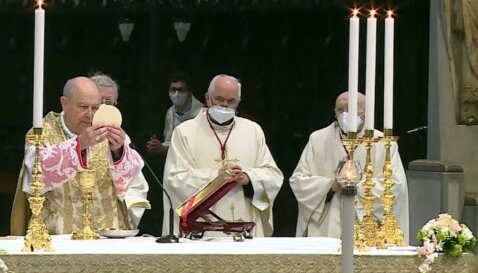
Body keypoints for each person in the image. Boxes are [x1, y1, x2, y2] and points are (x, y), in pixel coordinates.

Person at [10, 76, 148, 235]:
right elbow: (35, 177)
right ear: (64, 103)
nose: (90, 115)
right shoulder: (42, 133)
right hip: (59, 237)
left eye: (95, 108)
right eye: (83, 107)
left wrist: (118, 153)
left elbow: (133, 180)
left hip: (107, 236)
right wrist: (79, 145)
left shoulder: (108, 131)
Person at [163, 74, 283, 237]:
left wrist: (248, 177)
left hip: (244, 224)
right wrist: (217, 177)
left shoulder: (252, 131)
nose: (224, 105)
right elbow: (174, 179)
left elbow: (273, 175)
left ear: (238, 102)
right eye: (219, 99)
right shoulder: (185, 132)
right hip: (202, 230)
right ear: (208, 98)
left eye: (231, 101)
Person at [289, 92, 409, 239]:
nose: (344, 114)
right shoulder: (318, 139)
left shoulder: (383, 143)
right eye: (340, 110)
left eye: (350, 109)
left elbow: (395, 185)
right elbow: (299, 181)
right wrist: (331, 186)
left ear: (366, 113)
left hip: (367, 227)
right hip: (325, 226)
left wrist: (356, 186)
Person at [147, 72, 204, 156]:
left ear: (189, 92)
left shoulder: (201, 113)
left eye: (181, 90)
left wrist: (164, 149)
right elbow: (169, 141)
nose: (176, 94)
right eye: (173, 90)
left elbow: (196, 147)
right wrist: (157, 146)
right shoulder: (170, 112)